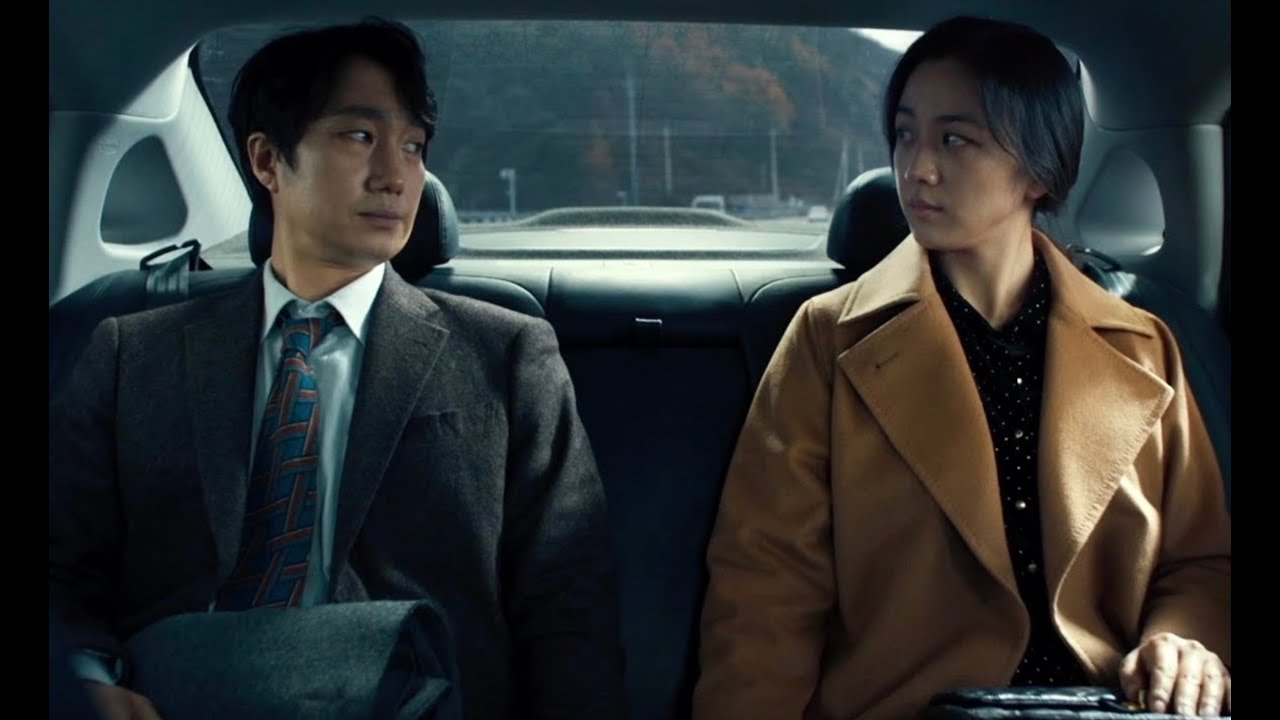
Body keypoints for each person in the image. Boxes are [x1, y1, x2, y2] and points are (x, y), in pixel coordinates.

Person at [48, 18, 625, 720]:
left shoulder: (505, 355)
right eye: (358, 135)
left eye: (413, 146)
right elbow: (62, 571)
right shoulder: (131, 355)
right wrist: (87, 683)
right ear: (268, 160)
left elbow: (568, 607)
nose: (395, 176)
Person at [693, 16, 1230, 720]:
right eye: (905, 134)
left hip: (1108, 707)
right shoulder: (828, 340)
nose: (916, 167)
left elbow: (1199, 562)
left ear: (1038, 167)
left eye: (954, 139)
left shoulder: (1143, 343)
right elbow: (766, 592)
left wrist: (1180, 641)